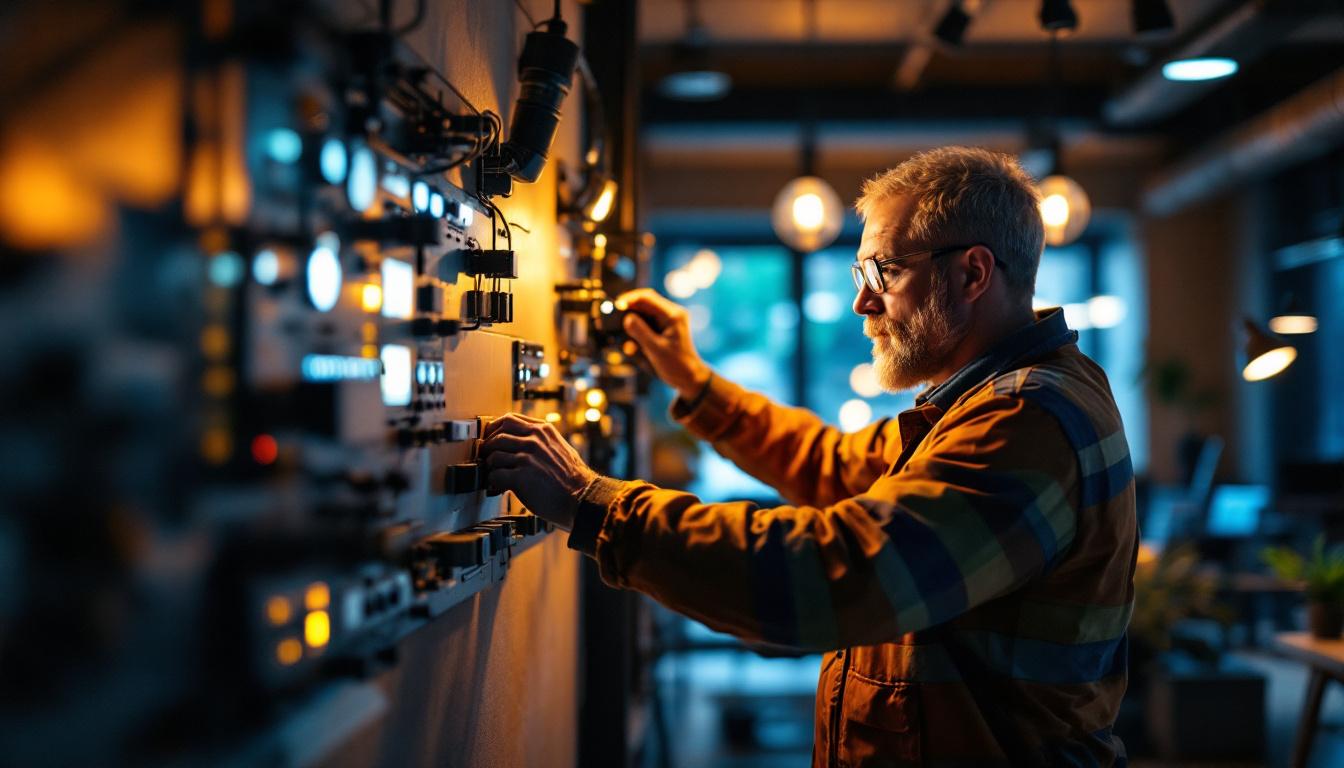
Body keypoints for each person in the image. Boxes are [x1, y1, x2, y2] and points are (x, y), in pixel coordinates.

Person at [480, 146, 1137, 767]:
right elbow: (834, 465)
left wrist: (592, 504)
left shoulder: (1023, 419)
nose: (862, 300)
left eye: (887, 270)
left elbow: (828, 577)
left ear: (972, 273)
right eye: (863, 273)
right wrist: (695, 385)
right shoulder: (988, 400)